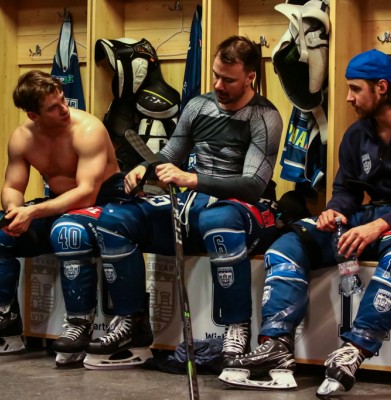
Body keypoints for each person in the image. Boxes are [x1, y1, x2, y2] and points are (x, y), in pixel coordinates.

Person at [224, 48, 391, 393]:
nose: (348, 97)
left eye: (355, 89)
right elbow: (347, 189)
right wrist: (335, 210)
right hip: (377, 217)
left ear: (382, 87)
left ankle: (354, 350)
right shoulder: (356, 134)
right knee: (288, 244)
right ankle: (276, 344)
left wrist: (377, 226)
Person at [83, 35, 283, 370]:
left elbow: (252, 186)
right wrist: (144, 168)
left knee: (218, 219)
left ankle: (237, 328)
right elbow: (171, 154)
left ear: (250, 77)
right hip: (194, 205)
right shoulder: (198, 106)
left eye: (229, 80)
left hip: (246, 210)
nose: (218, 85)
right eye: (216, 76)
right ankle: (132, 322)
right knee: (115, 218)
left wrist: (191, 179)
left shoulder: (264, 116)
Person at [0, 70, 129, 367]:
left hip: (105, 203)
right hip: (60, 205)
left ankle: (79, 325)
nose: (64, 108)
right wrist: (14, 212)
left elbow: (87, 193)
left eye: (63, 100)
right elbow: (13, 187)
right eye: (53, 107)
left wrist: (34, 211)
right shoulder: (22, 138)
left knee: (69, 232)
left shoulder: (88, 129)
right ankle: (4, 318)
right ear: (33, 115)